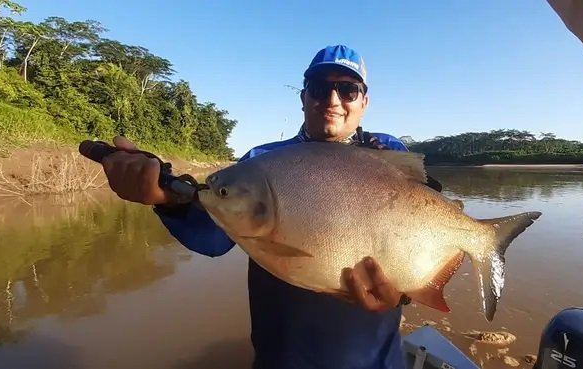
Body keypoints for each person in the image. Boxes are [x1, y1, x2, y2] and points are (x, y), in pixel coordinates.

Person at [100, 44, 445, 369]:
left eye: (347, 89)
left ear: (364, 102)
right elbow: (213, 239)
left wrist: (402, 295)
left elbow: (423, 237)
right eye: (319, 88)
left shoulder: (388, 153)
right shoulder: (263, 161)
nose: (333, 99)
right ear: (303, 97)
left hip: (374, 361)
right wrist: (164, 198)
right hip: (284, 357)